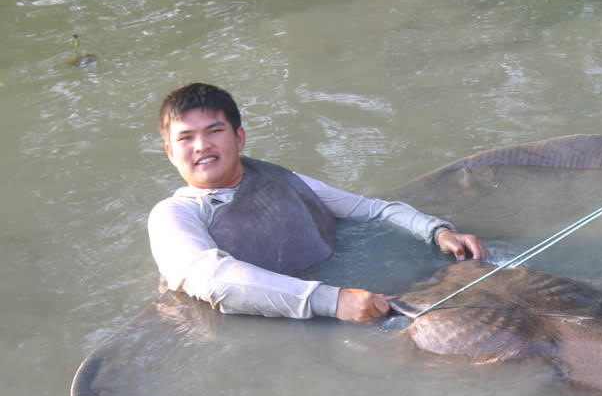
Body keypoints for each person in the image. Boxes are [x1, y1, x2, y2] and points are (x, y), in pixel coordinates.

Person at [149, 82, 487, 323]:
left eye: (214, 131)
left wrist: (437, 231)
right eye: (185, 138)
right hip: (259, 330)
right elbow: (211, 279)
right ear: (170, 152)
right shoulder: (173, 215)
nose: (201, 146)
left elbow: (372, 210)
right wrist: (332, 300)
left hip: (342, 296)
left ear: (239, 137)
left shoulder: (285, 181)